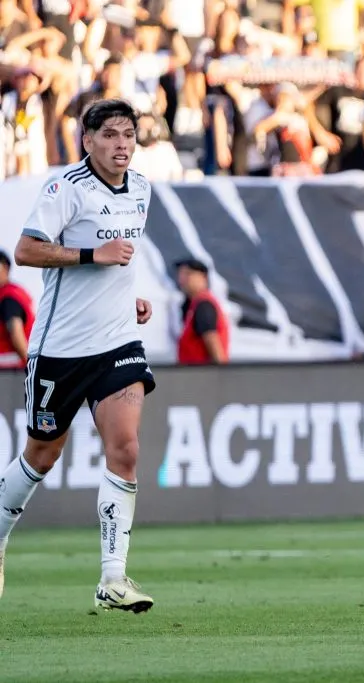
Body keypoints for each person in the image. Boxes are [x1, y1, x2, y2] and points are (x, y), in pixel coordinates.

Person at [0, 98, 157, 612]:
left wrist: (126, 294)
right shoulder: (65, 188)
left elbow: (122, 257)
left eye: (129, 135)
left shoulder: (141, 188)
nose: (122, 145)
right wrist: (93, 256)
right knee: (42, 456)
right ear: (87, 140)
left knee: (127, 448)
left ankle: (113, 579)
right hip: (60, 350)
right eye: (110, 135)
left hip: (116, 342)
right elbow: (26, 250)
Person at [176, 259, 229, 365]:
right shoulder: (192, 305)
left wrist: (223, 376)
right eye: (180, 274)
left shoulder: (204, 305)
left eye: (188, 274)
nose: (182, 279)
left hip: (202, 376)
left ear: (203, 277)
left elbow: (212, 341)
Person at [0, 250, 34, 369]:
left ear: (4, 267)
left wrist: (30, 366)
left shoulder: (8, 297)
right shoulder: (18, 292)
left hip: (9, 370)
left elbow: (15, 332)